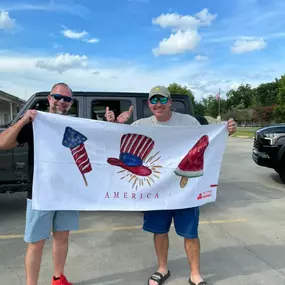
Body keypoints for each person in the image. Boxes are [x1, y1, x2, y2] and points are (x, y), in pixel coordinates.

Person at [105, 85, 237, 285]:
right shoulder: (140, 124)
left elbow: (207, 141)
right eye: (154, 101)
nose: (158, 105)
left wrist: (227, 130)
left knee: (190, 233)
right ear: (149, 104)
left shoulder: (188, 122)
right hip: (156, 190)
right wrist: (114, 124)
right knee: (160, 231)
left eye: (162, 100)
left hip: (186, 190)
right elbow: (112, 140)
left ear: (170, 102)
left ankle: (195, 273)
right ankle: (162, 268)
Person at [0, 83, 78, 285]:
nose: (62, 102)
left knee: (62, 238)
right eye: (58, 97)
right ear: (50, 99)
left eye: (67, 99)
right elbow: (3, 143)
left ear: (71, 103)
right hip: (41, 192)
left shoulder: (74, 125)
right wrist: (23, 120)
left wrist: (113, 122)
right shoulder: (36, 124)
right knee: (36, 243)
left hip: (67, 193)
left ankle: (58, 278)